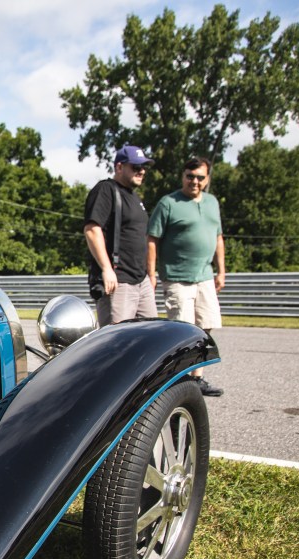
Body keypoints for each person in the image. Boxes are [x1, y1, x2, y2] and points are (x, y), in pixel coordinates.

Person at [147, 157, 226, 397]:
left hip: (205, 276)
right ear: (182, 176)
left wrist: (221, 270)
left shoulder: (212, 202)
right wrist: (151, 273)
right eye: (190, 176)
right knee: (182, 330)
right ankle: (179, 379)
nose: (195, 181)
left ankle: (197, 378)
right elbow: (152, 239)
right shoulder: (169, 203)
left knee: (206, 326)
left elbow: (218, 238)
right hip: (177, 277)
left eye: (200, 177)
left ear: (207, 179)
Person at [83, 145, 157, 326]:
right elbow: (92, 230)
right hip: (118, 281)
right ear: (119, 167)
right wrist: (107, 269)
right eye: (136, 167)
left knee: (152, 334)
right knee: (118, 339)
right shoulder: (106, 190)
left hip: (141, 280)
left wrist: (150, 274)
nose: (142, 171)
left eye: (143, 167)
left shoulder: (135, 198)